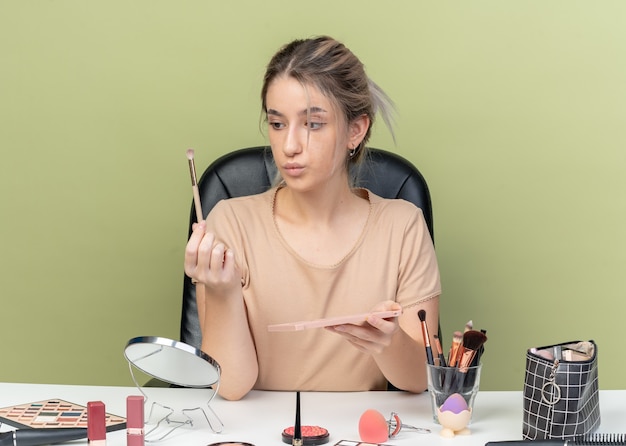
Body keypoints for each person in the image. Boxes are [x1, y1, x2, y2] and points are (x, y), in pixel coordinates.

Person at [184, 36, 441, 401]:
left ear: (356, 130)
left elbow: (420, 379)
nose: (289, 145)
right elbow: (230, 387)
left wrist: (388, 342)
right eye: (276, 124)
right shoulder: (230, 221)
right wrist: (223, 293)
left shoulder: (403, 226)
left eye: (313, 124)